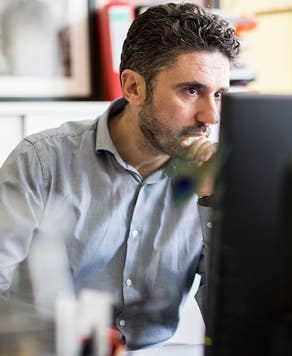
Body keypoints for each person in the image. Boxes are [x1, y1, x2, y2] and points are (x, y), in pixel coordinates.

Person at [0, 2, 239, 349]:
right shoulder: (42, 161)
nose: (211, 116)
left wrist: (212, 201)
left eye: (219, 94)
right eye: (191, 91)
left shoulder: (211, 176)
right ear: (133, 88)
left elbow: (234, 315)